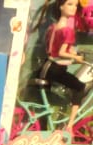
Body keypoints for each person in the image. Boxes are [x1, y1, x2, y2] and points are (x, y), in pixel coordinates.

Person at [37, 0, 93, 131]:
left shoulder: (52, 28)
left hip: (46, 66)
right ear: (61, 7)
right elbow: (61, 52)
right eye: (70, 4)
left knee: (52, 100)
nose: (74, 8)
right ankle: (70, 126)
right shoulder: (68, 30)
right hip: (56, 69)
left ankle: (48, 126)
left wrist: (73, 53)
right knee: (80, 87)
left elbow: (53, 49)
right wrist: (76, 58)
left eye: (76, 5)